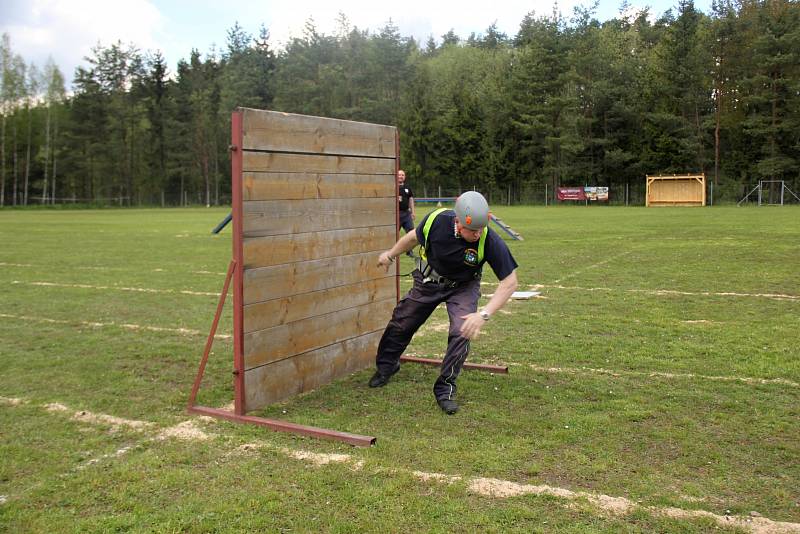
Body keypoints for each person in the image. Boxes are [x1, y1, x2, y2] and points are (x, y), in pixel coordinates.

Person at [369, 191, 519, 414]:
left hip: (464, 287)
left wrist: (483, 315)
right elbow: (412, 238)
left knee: (462, 331)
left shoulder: (488, 239)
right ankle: (386, 366)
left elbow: (510, 282)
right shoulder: (436, 221)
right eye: (472, 230)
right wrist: (390, 255)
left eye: (480, 229)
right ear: (457, 221)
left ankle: (445, 388)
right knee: (401, 323)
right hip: (428, 281)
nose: (477, 234)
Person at [397, 169, 416, 234]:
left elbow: (411, 199)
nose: (401, 176)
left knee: (411, 233)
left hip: (406, 214)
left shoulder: (407, 187)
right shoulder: (392, 187)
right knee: (394, 235)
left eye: (402, 175)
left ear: (404, 177)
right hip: (396, 215)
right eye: (399, 175)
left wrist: (413, 212)